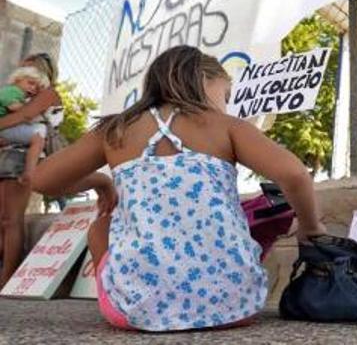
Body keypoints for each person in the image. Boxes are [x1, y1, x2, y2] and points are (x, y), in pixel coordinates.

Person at [28, 46, 326, 332]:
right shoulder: (227, 126)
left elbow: (41, 181)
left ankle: (128, 294)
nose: (226, 104)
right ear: (204, 81)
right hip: (235, 307)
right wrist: (310, 228)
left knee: (100, 227)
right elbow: (295, 174)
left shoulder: (116, 129)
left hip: (133, 314)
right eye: (226, 94)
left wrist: (100, 181)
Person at [0, 53, 62, 287]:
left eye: (30, 72)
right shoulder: (20, 94)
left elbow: (25, 116)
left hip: (22, 156)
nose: (25, 78)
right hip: (8, 152)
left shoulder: (47, 94)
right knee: (3, 220)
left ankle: (7, 279)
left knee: (11, 220)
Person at [0, 66, 51, 182]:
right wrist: (35, 109)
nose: (33, 88)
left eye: (36, 88)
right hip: (3, 128)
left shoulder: (13, 92)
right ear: (17, 79)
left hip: (4, 128)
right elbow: (17, 109)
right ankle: (29, 172)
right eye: (30, 83)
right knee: (38, 137)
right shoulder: (13, 91)